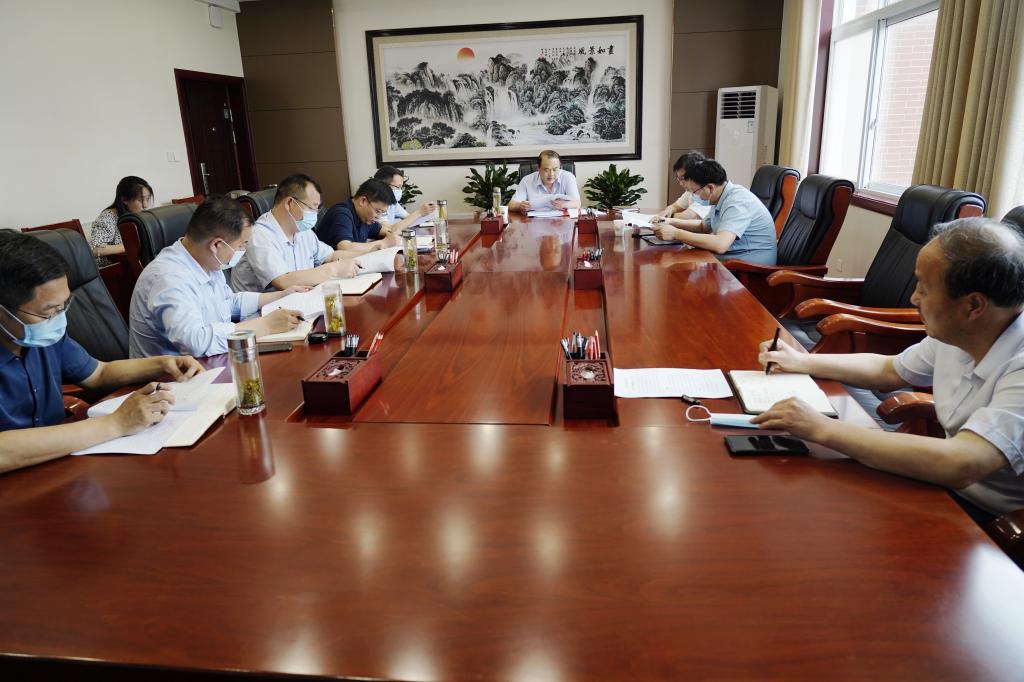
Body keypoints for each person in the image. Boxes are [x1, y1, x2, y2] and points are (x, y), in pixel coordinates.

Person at [753, 218, 1024, 518]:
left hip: (992, 522)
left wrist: (821, 428)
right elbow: (890, 370)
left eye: (924, 288)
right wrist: (803, 361)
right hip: (942, 488)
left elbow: (962, 463)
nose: (913, 298)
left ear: (973, 306)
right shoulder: (962, 331)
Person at [0, 230, 203, 474]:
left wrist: (163, 363)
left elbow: (99, 373)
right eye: (48, 312)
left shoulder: (43, 336)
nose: (58, 319)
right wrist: (115, 424)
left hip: (60, 464)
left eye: (64, 306)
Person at [129, 196, 309, 358]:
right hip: (171, 378)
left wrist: (281, 295)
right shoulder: (169, 277)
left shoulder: (206, 260)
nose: (243, 251)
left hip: (209, 362)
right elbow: (194, 341)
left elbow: (229, 302)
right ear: (216, 245)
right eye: (241, 245)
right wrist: (266, 326)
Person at [230, 174, 360, 292]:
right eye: (312, 207)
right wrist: (334, 269)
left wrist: (366, 257)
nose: (315, 214)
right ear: (290, 203)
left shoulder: (302, 230)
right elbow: (283, 282)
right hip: (264, 308)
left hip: (298, 300)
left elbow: (330, 256)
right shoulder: (259, 235)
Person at [650, 158, 776, 265]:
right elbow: (703, 227)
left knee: (679, 266)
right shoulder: (720, 197)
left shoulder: (737, 202)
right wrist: (670, 221)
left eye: (695, 192)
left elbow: (720, 244)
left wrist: (676, 234)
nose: (694, 196)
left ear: (710, 188)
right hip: (732, 258)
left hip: (750, 267)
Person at [314, 179, 404, 255]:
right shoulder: (342, 213)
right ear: (363, 201)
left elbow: (381, 230)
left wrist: (392, 235)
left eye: (382, 213)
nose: (379, 217)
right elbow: (345, 248)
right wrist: (385, 242)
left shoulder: (364, 217)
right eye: (378, 211)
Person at [89, 176, 153, 266]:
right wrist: (131, 246)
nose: (145, 205)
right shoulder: (107, 217)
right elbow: (95, 249)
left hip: (135, 263)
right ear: (125, 200)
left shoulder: (139, 215)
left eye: (148, 199)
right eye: (140, 200)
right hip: (114, 269)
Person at [508, 150, 581, 212]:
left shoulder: (568, 177)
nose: (551, 174)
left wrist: (564, 205)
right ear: (538, 168)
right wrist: (520, 206)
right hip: (534, 222)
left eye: (555, 169)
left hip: (561, 222)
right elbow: (511, 205)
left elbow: (577, 203)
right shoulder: (527, 180)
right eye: (546, 170)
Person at [371, 166, 436, 232]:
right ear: (383, 186)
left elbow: (409, 219)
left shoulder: (393, 203)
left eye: (401, 187)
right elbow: (390, 230)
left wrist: (428, 212)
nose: (400, 191)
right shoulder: (374, 205)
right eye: (398, 187)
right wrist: (419, 212)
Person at [654, 151, 707, 220]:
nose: (681, 184)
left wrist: (667, 216)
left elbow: (690, 216)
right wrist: (668, 210)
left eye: (683, 179)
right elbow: (675, 206)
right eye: (679, 179)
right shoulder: (690, 192)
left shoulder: (707, 191)